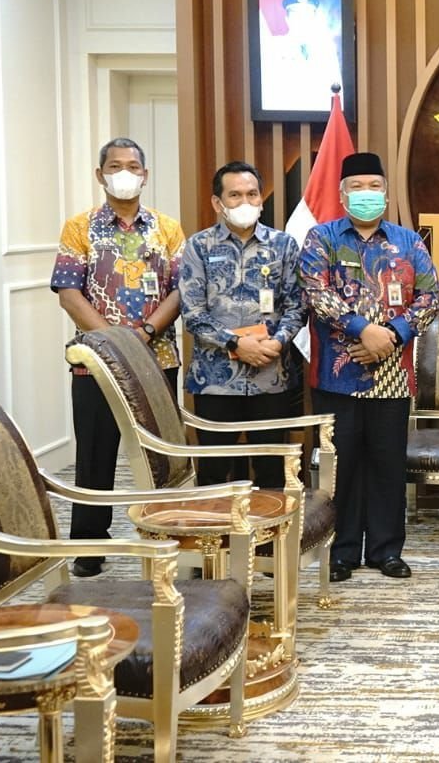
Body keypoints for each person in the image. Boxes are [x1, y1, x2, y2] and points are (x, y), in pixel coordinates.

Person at [299, 152, 439, 580]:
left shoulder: (409, 242)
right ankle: (341, 552)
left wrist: (390, 336)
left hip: (392, 375)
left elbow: (430, 298)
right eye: (357, 187)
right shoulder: (322, 238)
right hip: (336, 376)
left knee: (387, 464)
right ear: (342, 195)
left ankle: (385, 550)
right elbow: (316, 293)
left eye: (374, 186)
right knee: (341, 467)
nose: (366, 194)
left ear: (386, 192)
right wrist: (363, 331)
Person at [50, 137, 185, 578]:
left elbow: (181, 291)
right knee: (95, 454)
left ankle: (166, 539)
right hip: (94, 363)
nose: (124, 173)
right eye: (114, 166)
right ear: (100, 174)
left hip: (157, 358)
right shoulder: (79, 228)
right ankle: (90, 546)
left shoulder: (168, 229)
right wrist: (113, 342)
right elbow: (69, 293)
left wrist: (144, 333)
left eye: (132, 166)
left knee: (160, 455)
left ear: (145, 175)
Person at [179, 161, 305, 487]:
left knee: (271, 473)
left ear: (261, 199)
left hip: (271, 377)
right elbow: (192, 313)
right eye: (235, 195)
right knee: (214, 473)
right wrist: (236, 344)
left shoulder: (283, 245)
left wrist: (277, 342)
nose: (245, 201)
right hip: (215, 380)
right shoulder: (198, 246)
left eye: (252, 194)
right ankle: (215, 523)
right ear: (217, 202)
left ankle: (269, 525)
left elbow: (297, 306)